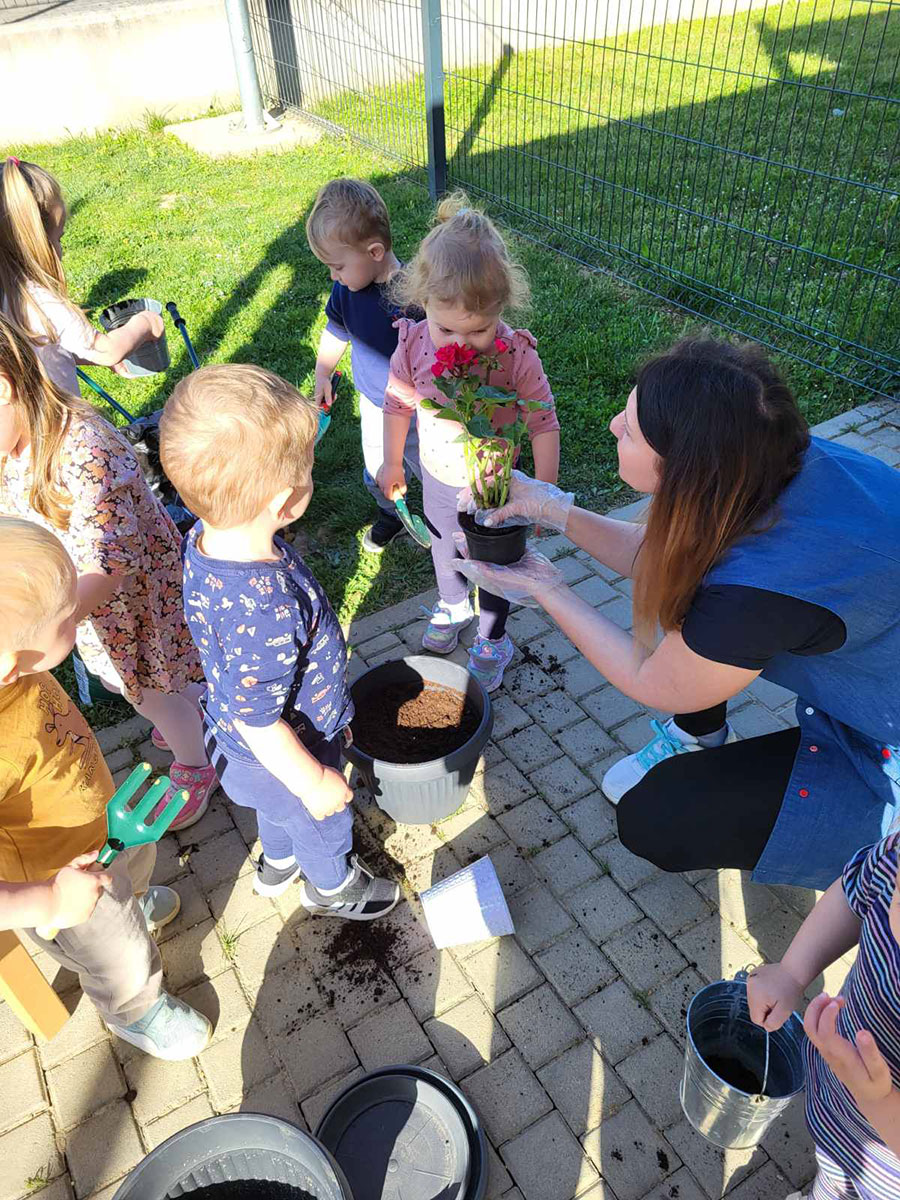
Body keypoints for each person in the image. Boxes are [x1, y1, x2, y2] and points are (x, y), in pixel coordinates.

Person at [453, 337, 900, 890]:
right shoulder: (777, 458)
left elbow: (658, 681)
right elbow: (666, 557)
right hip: (871, 674)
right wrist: (554, 508)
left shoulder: (754, 594)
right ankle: (701, 740)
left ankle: (875, 860)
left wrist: (549, 589)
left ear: (684, 468)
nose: (615, 423)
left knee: (657, 818)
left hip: (887, 735)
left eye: (632, 430)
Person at [159, 363, 400, 918]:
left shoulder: (204, 536)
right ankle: (331, 886)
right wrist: (315, 780)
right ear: (286, 501)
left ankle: (278, 860)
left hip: (242, 751)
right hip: (287, 746)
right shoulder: (263, 607)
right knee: (320, 818)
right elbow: (260, 720)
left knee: (281, 810)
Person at [0, 516, 211, 1059]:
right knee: (114, 951)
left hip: (106, 818)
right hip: (61, 876)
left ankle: (134, 902)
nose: (78, 614)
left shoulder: (15, 670)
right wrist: (49, 899)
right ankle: (137, 1011)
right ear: (8, 665)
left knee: (136, 866)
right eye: (67, 616)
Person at [0, 315, 217, 828]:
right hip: (86, 610)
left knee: (152, 692)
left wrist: (48, 619)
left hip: (129, 603)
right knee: (151, 684)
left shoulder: (85, 449)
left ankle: (197, 762)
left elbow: (111, 564)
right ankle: (194, 709)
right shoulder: (12, 446)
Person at [378, 192, 561, 692]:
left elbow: (543, 420)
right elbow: (396, 406)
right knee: (443, 545)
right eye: (446, 329)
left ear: (502, 309)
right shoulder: (414, 344)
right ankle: (453, 603)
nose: (459, 345)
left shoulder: (515, 356)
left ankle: (492, 635)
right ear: (423, 305)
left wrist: (544, 492)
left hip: (494, 482)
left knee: (495, 563)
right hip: (438, 474)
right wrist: (392, 462)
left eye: (478, 330)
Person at [748, 834, 900, 1199]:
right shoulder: (895, 857)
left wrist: (877, 1099)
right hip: (834, 1111)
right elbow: (855, 894)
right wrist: (792, 972)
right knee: (831, 1179)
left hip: (882, 1175)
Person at [306, 177, 422, 553]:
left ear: (374, 252)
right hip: (374, 404)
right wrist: (323, 372)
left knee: (431, 468)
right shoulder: (346, 290)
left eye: (338, 266)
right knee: (377, 468)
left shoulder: (411, 301)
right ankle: (392, 513)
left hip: (420, 412)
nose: (332, 276)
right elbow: (335, 331)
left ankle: (446, 517)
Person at [0, 157, 165, 395]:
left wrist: (91, 357)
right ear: (33, 242)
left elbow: (43, 350)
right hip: (62, 426)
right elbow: (108, 350)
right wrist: (145, 324)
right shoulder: (40, 301)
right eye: (58, 238)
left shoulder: (6, 296)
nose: (62, 249)